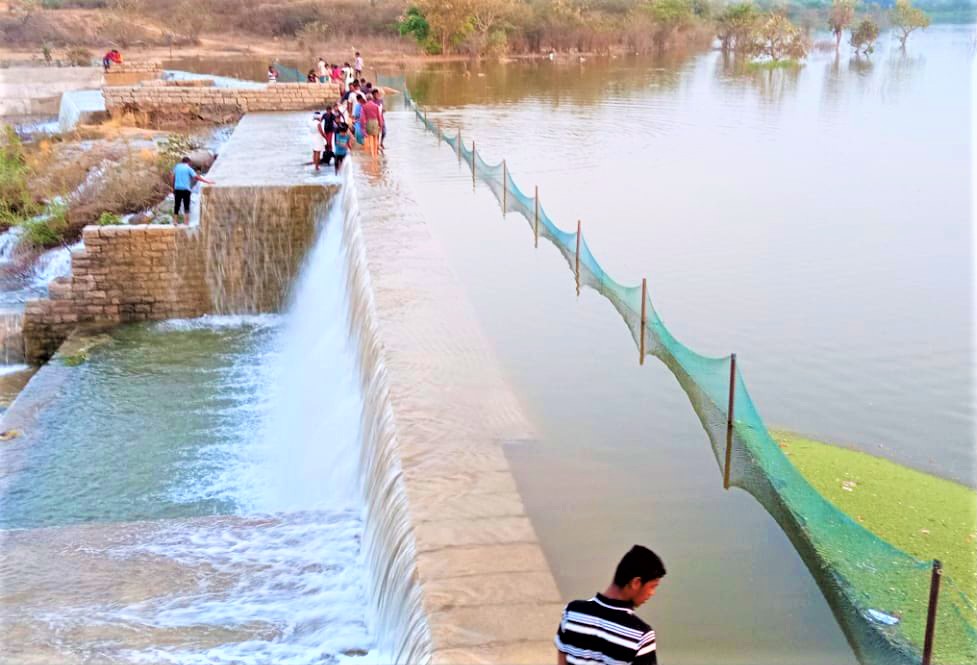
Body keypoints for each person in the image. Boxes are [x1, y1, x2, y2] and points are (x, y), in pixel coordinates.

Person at [555, 545, 665, 665]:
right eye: (652, 587)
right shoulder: (641, 636)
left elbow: (562, 662)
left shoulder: (572, 612)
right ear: (636, 583)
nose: (652, 593)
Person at [170, 156, 214, 226]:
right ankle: (186, 222)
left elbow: (172, 176)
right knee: (186, 205)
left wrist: (173, 187)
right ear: (188, 162)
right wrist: (207, 182)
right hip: (186, 189)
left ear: (182, 161)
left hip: (177, 188)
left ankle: (175, 221)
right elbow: (196, 177)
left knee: (177, 205)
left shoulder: (177, 167)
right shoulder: (188, 168)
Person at [361, 89, 384, 158]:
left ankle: (372, 154)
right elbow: (379, 116)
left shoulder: (364, 106)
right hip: (375, 122)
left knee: (370, 138)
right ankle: (375, 154)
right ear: (372, 98)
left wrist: (363, 127)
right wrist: (381, 125)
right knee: (375, 138)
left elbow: (363, 118)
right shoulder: (376, 106)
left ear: (366, 99)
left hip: (369, 122)